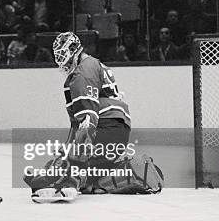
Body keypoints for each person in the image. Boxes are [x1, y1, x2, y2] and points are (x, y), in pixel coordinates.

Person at [23, 32, 163, 203]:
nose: (60, 60)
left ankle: (66, 183)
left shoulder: (83, 72)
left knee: (67, 162)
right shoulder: (93, 64)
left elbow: (88, 121)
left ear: (73, 49)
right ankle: (128, 171)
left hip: (106, 129)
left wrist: (72, 170)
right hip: (115, 130)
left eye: (62, 54)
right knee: (91, 176)